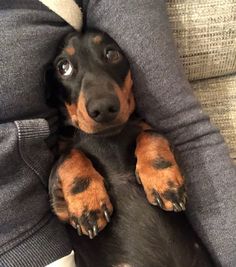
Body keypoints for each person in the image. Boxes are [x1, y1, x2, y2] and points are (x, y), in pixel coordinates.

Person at [0, 1, 235, 266]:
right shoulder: (69, 158)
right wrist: (70, 171)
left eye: (111, 55)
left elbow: (185, 128)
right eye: (65, 68)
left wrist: (153, 145)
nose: (100, 102)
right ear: (54, 91)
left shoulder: (147, 139)